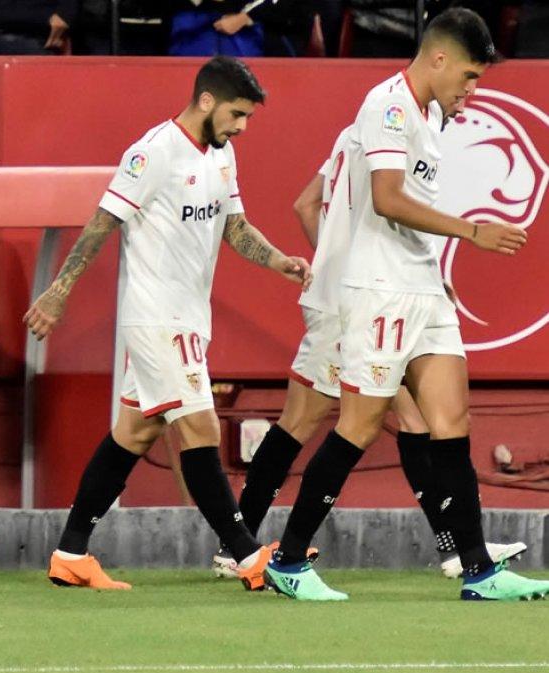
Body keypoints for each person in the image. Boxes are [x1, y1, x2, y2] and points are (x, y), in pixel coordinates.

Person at [263, 8, 549, 601]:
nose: (472, 90)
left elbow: (402, 208)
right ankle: (289, 560)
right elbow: (389, 200)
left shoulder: (429, 118)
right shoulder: (387, 107)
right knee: (360, 426)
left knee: (452, 423)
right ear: (439, 58)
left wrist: (437, 274)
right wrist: (470, 233)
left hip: (421, 287)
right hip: (380, 290)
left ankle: (478, 569)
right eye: (469, 76)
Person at [24, 56, 313, 591]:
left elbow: (236, 226)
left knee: (133, 433)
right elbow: (101, 223)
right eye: (236, 114)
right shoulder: (153, 152)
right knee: (199, 430)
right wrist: (60, 291)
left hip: (187, 319)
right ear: (206, 100)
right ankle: (250, 558)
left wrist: (279, 261)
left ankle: (69, 553)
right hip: (157, 319)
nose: (242, 127)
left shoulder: (221, 158)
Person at [220, 119, 524, 581]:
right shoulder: (385, 134)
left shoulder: (354, 134)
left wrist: (340, 267)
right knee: (310, 422)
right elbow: (324, 207)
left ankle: (460, 548)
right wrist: (349, 274)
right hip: (355, 303)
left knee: (408, 419)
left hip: (358, 297)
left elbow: (306, 205)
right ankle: (242, 548)